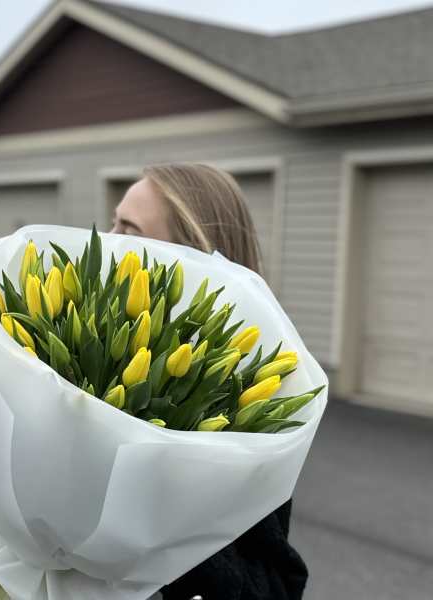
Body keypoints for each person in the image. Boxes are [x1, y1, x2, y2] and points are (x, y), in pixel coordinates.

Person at [111, 163, 308, 600]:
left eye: (129, 229)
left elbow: (272, 585)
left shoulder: (241, 400)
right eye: (113, 222)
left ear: (194, 254)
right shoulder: (96, 357)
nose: (107, 240)